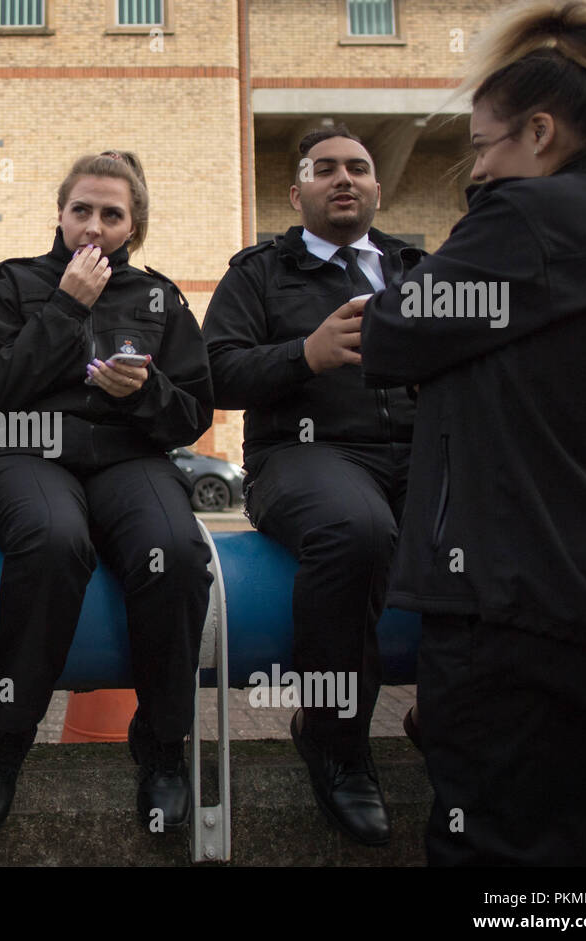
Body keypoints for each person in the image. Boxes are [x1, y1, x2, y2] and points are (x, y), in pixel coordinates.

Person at [360, 0, 586, 865]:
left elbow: (394, 329)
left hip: (526, 607)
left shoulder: (525, 219)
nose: (478, 169)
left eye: (483, 146)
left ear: (538, 131)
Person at [0, 151, 214, 833]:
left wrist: (149, 390)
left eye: (111, 214)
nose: (93, 227)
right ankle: (6, 740)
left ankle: (161, 743)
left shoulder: (160, 297)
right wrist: (67, 307)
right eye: (81, 210)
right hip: (25, 455)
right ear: (60, 213)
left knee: (178, 553)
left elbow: (194, 412)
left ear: (134, 226)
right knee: (53, 540)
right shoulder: (12, 284)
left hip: (130, 460)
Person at [202, 127, 424, 847]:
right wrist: (306, 354)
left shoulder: (418, 268)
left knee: (499, 525)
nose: (344, 179)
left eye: (358, 168)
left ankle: (451, 719)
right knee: (357, 532)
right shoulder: (259, 274)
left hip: (420, 452)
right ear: (296, 193)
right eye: (324, 170)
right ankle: (334, 742)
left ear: (377, 188)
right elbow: (215, 373)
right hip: (305, 459)